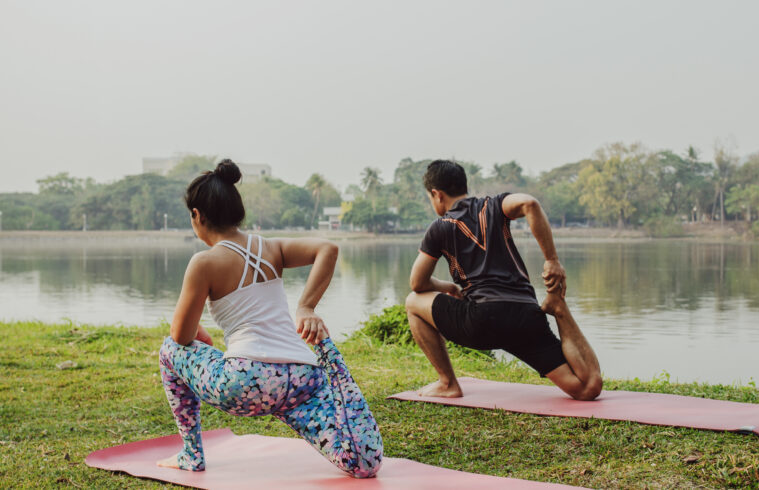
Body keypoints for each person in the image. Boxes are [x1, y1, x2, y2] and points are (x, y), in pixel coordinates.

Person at [156, 160, 382, 478]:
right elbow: (327, 249)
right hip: (302, 379)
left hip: (247, 381)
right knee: (359, 464)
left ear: (198, 215)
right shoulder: (270, 247)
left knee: (168, 350)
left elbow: (180, 336)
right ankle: (360, 459)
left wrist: (196, 333)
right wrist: (306, 307)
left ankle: (192, 454)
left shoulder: (204, 262)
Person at [405, 160, 602, 401]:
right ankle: (559, 309)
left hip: (482, 321)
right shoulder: (495, 206)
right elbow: (529, 203)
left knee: (413, 302)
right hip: (526, 317)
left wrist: (446, 287)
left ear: (436, 194)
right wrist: (551, 260)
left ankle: (447, 383)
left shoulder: (441, 226)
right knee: (588, 388)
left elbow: (417, 283)